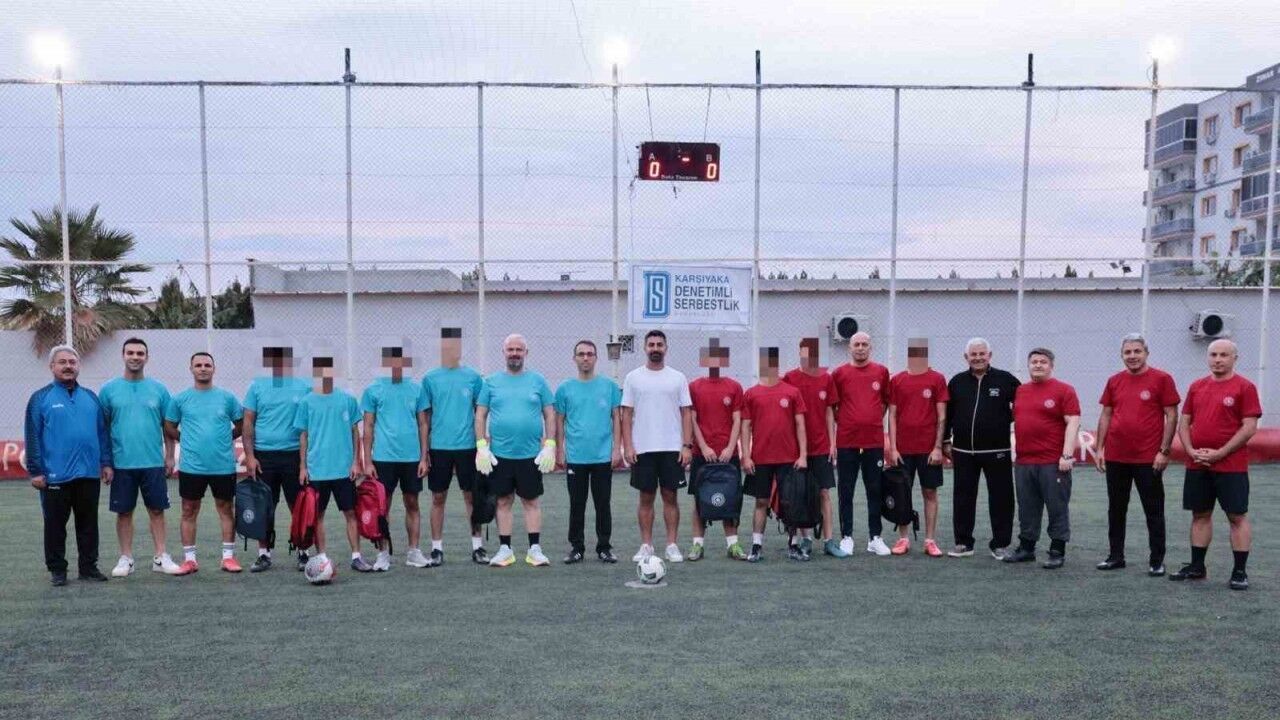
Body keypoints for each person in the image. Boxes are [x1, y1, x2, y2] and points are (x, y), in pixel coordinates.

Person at [1170, 339, 1261, 590]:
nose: (1218, 359)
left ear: (1234, 358)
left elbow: (1249, 427)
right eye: (1213, 355)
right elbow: (1184, 422)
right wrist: (1190, 451)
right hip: (1198, 464)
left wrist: (1220, 453)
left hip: (1231, 466)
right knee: (1200, 515)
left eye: (1223, 355)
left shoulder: (1245, 387)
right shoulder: (1197, 386)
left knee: (1236, 516)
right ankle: (1197, 567)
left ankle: (1239, 572)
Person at [25, 345, 112, 586]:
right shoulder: (40, 398)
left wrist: (106, 462)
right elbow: (32, 435)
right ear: (52, 366)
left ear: (78, 366)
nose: (68, 366)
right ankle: (57, 570)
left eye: (72, 362)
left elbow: (102, 433)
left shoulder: (91, 397)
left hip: (89, 473)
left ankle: (88, 568)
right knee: (55, 525)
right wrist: (35, 470)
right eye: (62, 362)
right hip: (55, 475)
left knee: (88, 524)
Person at [1093, 333, 1180, 576]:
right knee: (1116, 509)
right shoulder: (1114, 381)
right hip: (1116, 457)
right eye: (1127, 352)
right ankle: (1115, 556)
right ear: (1122, 355)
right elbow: (1106, 414)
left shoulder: (1162, 379)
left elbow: (1172, 415)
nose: (1132, 356)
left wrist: (1164, 451)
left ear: (1146, 353)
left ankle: (1157, 560)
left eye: (1137, 351)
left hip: (1148, 458)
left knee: (1153, 510)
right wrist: (1100, 448)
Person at [99, 338, 181, 577]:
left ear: (147, 357)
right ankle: (126, 558)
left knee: (157, 510)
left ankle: (161, 556)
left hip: (153, 463)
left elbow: (168, 427)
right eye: (131, 352)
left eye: (140, 353)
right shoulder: (108, 390)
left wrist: (169, 457)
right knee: (124, 512)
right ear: (123, 355)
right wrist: (106, 462)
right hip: (121, 464)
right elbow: (102, 429)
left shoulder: (159, 390)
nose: (135, 357)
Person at [474, 334, 556, 568]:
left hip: (530, 455)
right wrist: (481, 446)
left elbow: (549, 414)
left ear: (526, 353)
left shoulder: (538, 381)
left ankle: (534, 550)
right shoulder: (490, 382)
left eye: (519, 349)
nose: (515, 353)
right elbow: (480, 414)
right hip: (500, 455)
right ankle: (505, 550)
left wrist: (550, 444)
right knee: (503, 501)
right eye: (510, 349)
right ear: (504, 352)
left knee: (531, 501)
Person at [164, 351, 244, 574]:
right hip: (192, 466)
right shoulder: (180, 399)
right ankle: (190, 560)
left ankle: (228, 558)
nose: (203, 368)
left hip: (223, 465)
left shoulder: (227, 398)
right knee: (189, 510)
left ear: (213, 369)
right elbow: (169, 426)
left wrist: (226, 438)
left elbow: (241, 425)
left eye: (207, 365)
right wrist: (185, 439)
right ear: (191, 369)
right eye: (198, 365)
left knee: (226, 509)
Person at [943, 338, 1020, 559]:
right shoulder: (957, 382)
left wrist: (1005, 420)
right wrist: (946, 441)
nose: (978, 358)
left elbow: (1025, 405)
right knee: (963, 498)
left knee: (1002, 498)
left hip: (997, 451)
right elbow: (947, 414)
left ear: (990, 355)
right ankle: (963, 543)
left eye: (982, 354)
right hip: (963, 452)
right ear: (966, 357)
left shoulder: (1005, 379)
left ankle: (1000, 544)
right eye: (973, 354)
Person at [621, 330, 694, 563]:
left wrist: (686, 446)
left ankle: (672, 545)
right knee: (646, 498)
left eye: (659, 345)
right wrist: (628, 446)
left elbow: (686, 413)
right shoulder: (633, 377)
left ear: (666, 348)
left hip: (672, 448)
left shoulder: (678, 378)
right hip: (643, 448)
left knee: (670, 497)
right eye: (651, 344)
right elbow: (626, 414)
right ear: (645, 348)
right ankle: (646, 545)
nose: (655, 348)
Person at [1003, 348, 1080, 569]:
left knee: (1057, 507)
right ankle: (1027, 548)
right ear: (1028, 365)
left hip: (1053, 462)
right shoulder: (1021, 391)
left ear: (1051, 366)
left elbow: (1073, 422)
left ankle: (1057, 550)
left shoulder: (1064, 390)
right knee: (1027, 507)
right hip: (1024, 462)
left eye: (1043, 362)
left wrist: (1067, 455)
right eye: (1034, 361)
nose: (1038, 365)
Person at [294, 356, 371, 572]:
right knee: (317, 516)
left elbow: (355, 432)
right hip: (316, 471)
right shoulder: (306, 402)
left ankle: (356, 557)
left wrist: (356, 462)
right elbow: (303, 436)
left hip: (343, 470)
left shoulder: (347, 399)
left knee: (351, 513)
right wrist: (303, 467)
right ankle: (321, 558)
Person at [242, 345, 312, 572]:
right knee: (264, 506)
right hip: (264, 457)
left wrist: (305, 461)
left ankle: (303, 551)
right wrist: (250, 456)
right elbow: (248, 422)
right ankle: (264, 554)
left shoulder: (304, 387)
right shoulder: (257, 387)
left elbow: (309, 423)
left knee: (298, 506)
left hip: (294, 455)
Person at [422, 327, 487, 566]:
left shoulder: (473, 377)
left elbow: (481, 413)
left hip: (468, 447)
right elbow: (425, 418)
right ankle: (436, 549)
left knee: (471, 497)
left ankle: (478, 547)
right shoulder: (430, 378)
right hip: (439, 447)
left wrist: (482, 444)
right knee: (438, 497)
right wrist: (424, 452)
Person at [554, 339, 623, 564]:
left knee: (603, 503)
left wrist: (617, 449)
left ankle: (604, 547)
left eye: (589, 354)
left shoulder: (609, 387)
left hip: (602, 456)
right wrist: (559, 451)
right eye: (581, 354)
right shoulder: (564, 389)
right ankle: (577, 548)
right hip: (576, 457)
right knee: (577, 504)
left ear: (596, 358)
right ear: (574, 358)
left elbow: (617, 418)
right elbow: (559, 421)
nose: (585, 358)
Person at [361, 345, 430, 570]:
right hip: (383, 459)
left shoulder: (417, 390)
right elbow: (368, 426)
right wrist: (368, 461)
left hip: (411, 459)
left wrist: (424, 457)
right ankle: (383, 554)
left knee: (412, 503)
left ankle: (414, 552)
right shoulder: (373, 390)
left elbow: (423, 424)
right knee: (382, 507)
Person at [782, 337, 848, 558]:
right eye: (805, 352)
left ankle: (829, 541)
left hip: (821, 447)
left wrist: (832, 443)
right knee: (799, 494)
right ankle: (806, 539)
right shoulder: (789, 378)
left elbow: (830, 413)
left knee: (824, 493)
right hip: (796, 450)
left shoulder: (827, 379)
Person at [741, 347, 808, 563]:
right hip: (760, 459)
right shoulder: (751, 394)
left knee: (790, 502)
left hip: (789, 459)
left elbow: (800, 425)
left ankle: (793, 545)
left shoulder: (792, 392)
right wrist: (746, 456)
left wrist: (803, 455)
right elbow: (745, 427)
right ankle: (756, 546)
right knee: (761, 501)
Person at [831, 332, 892, 556]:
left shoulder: (881, 372)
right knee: (846, 490)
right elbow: (834, 407)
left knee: (874, 489)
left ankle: (874, 537)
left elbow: (884, 403)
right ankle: (847, 536)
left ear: (870, 347)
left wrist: (870, 420)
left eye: (864, 344)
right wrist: (849, 422)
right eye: (856, 344)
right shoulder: (839, 374)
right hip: (846, 441)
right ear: (850, 348)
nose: (860, 348)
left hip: (873, 442)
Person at [887, 338, 950, 557]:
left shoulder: (937, 379)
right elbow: (892, 415)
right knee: (901, 493)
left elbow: (942, 416)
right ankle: (903, 538)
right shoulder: (897, 380)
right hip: (903, 450)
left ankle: (930, 540)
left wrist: (937, 447)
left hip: (928, 450)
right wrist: (893, 448)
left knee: (929, 492)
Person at [686, 338, 746, 561]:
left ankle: (733, 545)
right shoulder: (694, 387)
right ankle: (697, 545)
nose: (714, 360)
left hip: (728, 456)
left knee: (731, 498)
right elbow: (692, 420)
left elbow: (738, 420)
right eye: (710, 355)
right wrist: (703, 447)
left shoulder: (734, 387)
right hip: (702, 455)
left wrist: (730, 447)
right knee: (699, 500)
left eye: (718, 355)